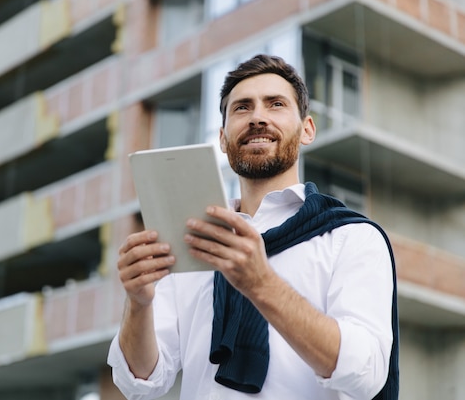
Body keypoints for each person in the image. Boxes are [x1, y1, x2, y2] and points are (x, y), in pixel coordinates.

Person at [107, 54, 398, 400]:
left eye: (275, 105)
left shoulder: (352, 238)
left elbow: (366, 373)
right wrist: (138, 303)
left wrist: (261, 284)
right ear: (222, 137)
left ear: (307, 129)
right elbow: (141, 382)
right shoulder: (194, 241)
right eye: (242, 108)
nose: (258, 117)